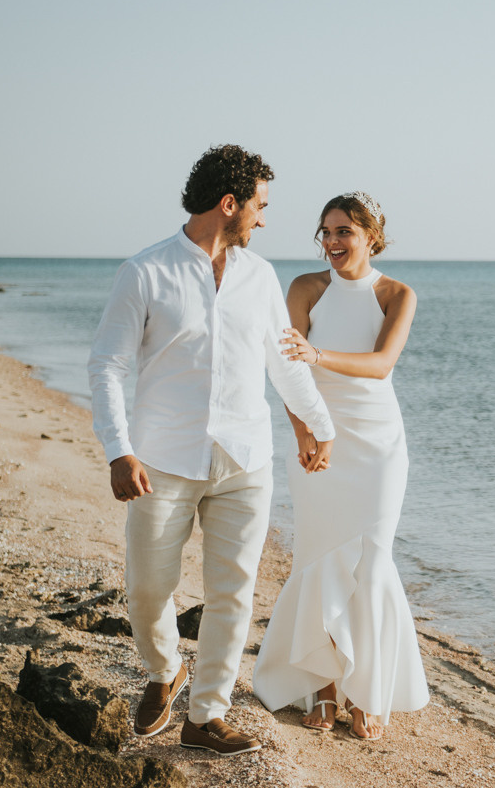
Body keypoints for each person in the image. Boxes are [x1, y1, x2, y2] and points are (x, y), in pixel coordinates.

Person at [87, 145, 336, 756]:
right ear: (229, 205)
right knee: (148, 589)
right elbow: (107, 365)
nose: (264, 219)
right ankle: (165, 670)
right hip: (160, 461)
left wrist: (318, 422)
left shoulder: (261, 276)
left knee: (233, 591)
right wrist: (119, 450)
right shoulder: (144, 272)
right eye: (260, 206)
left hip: (244, 460)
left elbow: (285, 360)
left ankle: (207, 715)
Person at [252, 191, 429, 740]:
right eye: (325, 232)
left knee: (372, 564)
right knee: (319, 558)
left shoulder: (398, 294)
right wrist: (305, 431)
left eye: (344, 231)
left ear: (371, 235)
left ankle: (367, 694)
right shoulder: (305, 288)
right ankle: (324, 689)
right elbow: (284, 369)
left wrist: (319, 355)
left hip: (378, 445)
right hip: (317, 439)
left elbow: (380, 365)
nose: (332, 242)